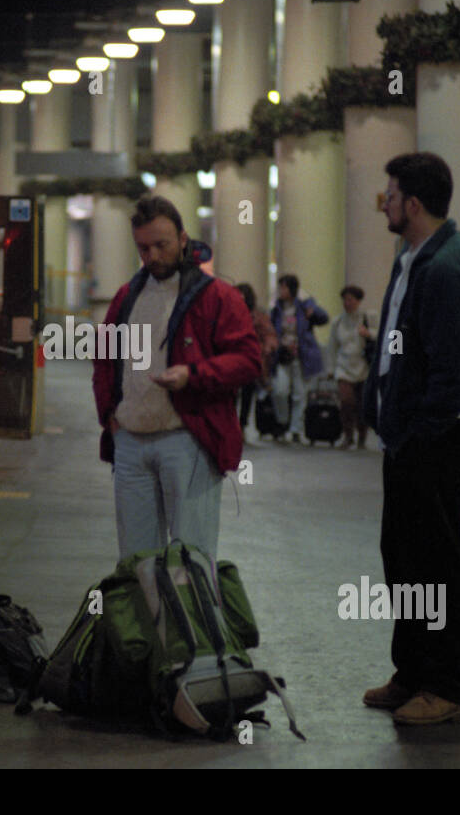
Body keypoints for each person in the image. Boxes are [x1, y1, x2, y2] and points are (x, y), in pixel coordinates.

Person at [362, 153, 460, 726]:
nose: (383, 202)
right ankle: (410, 671)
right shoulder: (411, 259)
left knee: (435, 563)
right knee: (403, 558)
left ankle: (443, 685)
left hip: (430, 440)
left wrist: (421, 431)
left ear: (412, 204)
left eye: (389, 195)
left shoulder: (448, 268)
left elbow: (456, 371)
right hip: (403, 437)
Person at [92, 195, 261, 561]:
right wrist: (110, 415)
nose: (152, 255)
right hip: (131, 444)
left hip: (188, 440)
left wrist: (194, 374)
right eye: (143, 248)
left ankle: (191, 620)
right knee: (137, 565)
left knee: (191, 564)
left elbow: (248, 361)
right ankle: (151, 620)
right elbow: (104, 359)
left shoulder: (219, 296)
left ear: (184, 239)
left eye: (161, 245)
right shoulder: (126, 297)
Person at [269, 274, 329, 444]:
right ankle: (282, 422)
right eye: (280, 287)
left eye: (284, 287)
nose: (281, 291)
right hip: (282, 356)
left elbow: (324, 318)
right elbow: (272, 329)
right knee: (280, 390)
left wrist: (313, 310)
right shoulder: (276, 309)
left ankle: (295, 429)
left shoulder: (304, 305)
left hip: (302, 356)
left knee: (299, 394)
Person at [325, 285, 375, 449]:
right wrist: (330, 369)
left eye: (351, 300)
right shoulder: (338, 321)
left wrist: (369, 334)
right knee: (346, 401)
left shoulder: (368, 318)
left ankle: (362, 435)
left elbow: (386, 335)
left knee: (362, 404)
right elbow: (332, 346)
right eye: (345, 300)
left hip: (363, 367)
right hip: (344, 367)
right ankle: (347, 435)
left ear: (358, 301)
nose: (347, 303)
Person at [234, 283, 279, 442]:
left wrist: (268, 347)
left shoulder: (258, 316)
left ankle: (242, 425)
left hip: (250, 360)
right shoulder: (228, 312)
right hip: (231, 360)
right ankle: (233, 426)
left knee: (247, 394)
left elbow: (268, 334)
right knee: (231, 396)